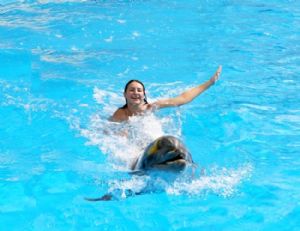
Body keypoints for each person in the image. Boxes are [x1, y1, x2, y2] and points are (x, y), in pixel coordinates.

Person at [110, 66, 222, 122]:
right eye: (132, 90)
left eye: (139, 90)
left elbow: (183, 99)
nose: (136, 93)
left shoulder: (152, 107)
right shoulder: (120, 114)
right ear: (125, 94)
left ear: (144, 95)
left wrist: (209, 83)